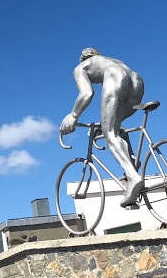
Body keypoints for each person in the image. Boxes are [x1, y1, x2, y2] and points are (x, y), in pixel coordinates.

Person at [60, 48, 147, 208]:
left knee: (110, 133)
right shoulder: (108, 60)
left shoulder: (81, 67)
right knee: (115, 127)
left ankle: (132, 176)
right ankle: (132, 161)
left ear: (83, 59)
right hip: (137, 81)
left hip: (117, 77)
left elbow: (86, 93)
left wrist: (73, 115)